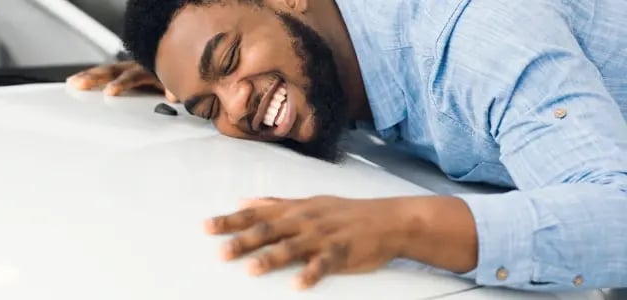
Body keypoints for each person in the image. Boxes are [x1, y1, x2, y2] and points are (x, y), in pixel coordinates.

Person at [67, 0, 627, 292]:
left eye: (230, 60)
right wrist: (194, 81)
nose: (236, 107)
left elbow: (616, 213)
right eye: (209, 107)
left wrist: (403, 226)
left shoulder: (474, 39)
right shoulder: (327, 60)